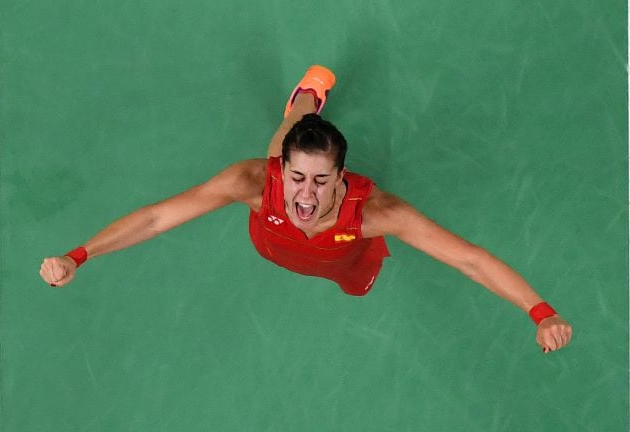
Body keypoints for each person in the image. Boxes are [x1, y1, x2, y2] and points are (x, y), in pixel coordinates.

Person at [40, 65, 573, 353]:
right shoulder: (255, 181)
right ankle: (305, 98)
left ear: (343, 178)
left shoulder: (377, 213)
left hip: (344, 261)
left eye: (321, 180)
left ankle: (306, 114)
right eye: (297, 177)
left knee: (355, 275)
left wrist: (540, 311)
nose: (306, 195)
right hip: (270, 242)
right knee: (285, 137)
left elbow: (469, 260)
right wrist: (79, 255)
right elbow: (157, 217)